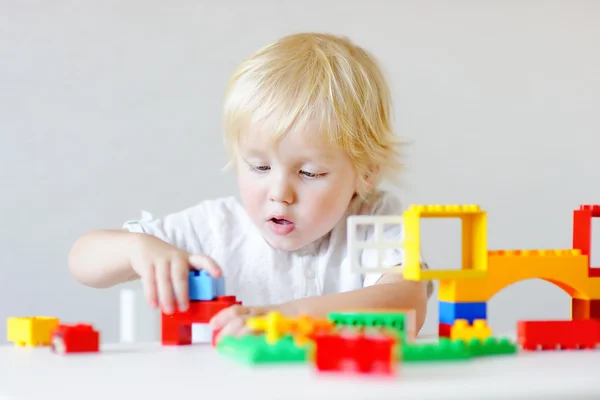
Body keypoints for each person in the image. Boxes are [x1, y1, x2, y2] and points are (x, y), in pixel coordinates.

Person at [68, 32, 433, 341]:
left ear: (366, 173)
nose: (280, 193)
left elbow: (406, 304)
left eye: (309, 173)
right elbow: (82, 261)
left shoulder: (372, 221)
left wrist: (287, 318)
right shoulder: (215, 228)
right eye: (259, 166)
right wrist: (135, 248)